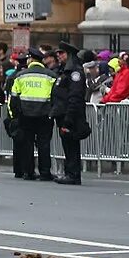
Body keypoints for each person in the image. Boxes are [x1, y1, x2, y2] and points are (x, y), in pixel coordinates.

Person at [8, 48, 55, 181]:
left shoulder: (20, 75)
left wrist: (15, 115)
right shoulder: (51, 75)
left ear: (31, 59)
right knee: (44, 144)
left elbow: (14, 97)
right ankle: (45, 172)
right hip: (45, 115)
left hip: (25, 115)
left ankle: (28, 172)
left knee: (27, 143)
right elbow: (56, 96)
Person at [51, 41, 88, 185]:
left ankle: (73, 174)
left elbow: (75, 97)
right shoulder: (65, 71)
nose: (58, 56)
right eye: (58, 53)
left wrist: (68, 119)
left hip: (70, 115)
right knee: (67, 144)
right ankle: (69, 172)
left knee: (71, 145)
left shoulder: (74, 72)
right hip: (63, 113)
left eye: (62, 53)